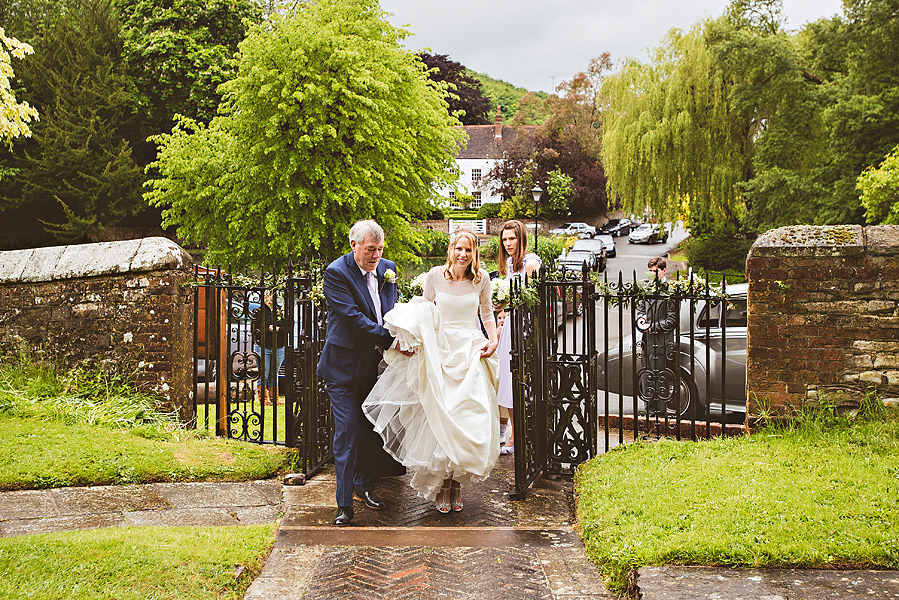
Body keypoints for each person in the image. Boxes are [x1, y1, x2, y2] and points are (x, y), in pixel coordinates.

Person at [362, 230, 500, 513]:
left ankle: (457, 484)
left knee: (466, 417)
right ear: (451, 249)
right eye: (459, 248)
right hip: (441, 351)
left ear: (475, 253)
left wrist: (493, 338)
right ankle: (441, 485)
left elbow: (486, 312)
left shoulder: (481, 279)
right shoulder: (436, 275)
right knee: (440, 418)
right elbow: (423, 312)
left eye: (469, 250)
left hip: (470, 350)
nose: (463, 254)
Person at [316, 220, 409, 527]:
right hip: (342, 370)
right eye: (371, 249)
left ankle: (364, 487)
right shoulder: (336, 273)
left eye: (380, 249)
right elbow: (353, 319)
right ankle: (344, 506)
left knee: (372, 431)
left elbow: (391, 312)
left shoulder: (388, 270)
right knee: (347, 434)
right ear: (354, 245)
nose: (376, 256)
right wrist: (391, 339)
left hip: (376, 368)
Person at [494, 220, 541, 455]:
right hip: (511, 324)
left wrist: (511, 302)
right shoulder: (511, 264)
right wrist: (501, 303)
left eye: (511, 238)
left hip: (526, 326)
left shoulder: (531, 264)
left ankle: (524, 433)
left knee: (523, 379)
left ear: (521, 238)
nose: (508, 243)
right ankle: (514, 430)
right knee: (507, 379)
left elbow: (534, 300)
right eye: (504, 239)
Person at [635, 257, 677, 417]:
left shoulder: (670, 291)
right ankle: (649, 412)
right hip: (647, 342)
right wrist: (641, 320)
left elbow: (671, 320)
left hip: (662, 343)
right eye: (651, 270)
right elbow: (640, 309)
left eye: (655, 271)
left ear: (664, 271)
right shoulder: (647, 289)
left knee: (660, 379)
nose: (652, 274)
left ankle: (660, 413)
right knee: (647, 378)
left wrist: (651, 327)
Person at [252, 290, 286, 405]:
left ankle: (274, 398)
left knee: (274, 373)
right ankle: (263, 398)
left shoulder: (280, 311)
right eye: (266, 295)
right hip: (263, 346)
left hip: (279, 346)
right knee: (264, 373)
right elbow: (255, 330)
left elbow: (287, 328)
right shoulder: (259, 311)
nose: (268, 298)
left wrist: (278, 329)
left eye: (270, 295)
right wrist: (269, 330)